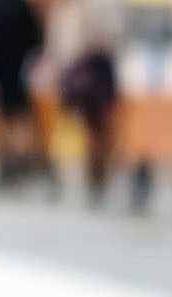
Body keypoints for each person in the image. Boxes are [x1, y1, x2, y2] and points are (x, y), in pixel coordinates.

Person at [0, 0, 42, 184]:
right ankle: (16, 159)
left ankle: (10, 159)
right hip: (16, 66)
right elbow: (35, 38)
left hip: (1, 64)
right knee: (15, 114)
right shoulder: (20, 7)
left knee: (7, 113)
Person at [58, 36, 116, 202]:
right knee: (94, 140)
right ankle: (94, 178)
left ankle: (96, 178)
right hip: (92, 110)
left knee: (96, 140)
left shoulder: (96, 64)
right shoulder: (92, 64)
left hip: (94, 110)